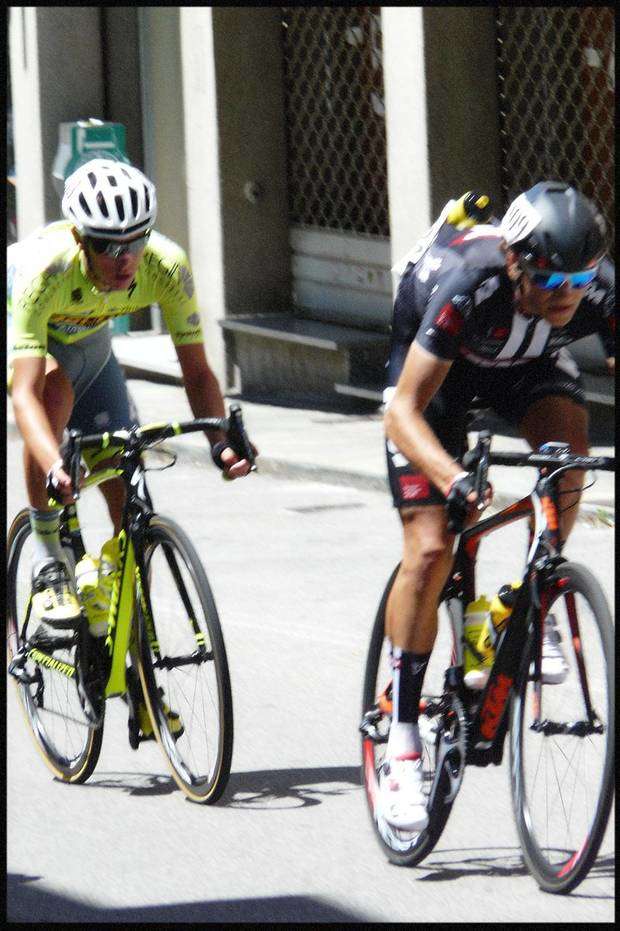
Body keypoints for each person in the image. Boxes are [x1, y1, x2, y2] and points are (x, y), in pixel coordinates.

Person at [379, 181, 615, 832]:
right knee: (430, 547)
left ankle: (527, 597)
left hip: (523, 364)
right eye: (550, 278)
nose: (567, 292)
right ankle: (401, 742)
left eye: (578, 277)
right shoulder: (468, 281)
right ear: (515, 262)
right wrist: (452, 478)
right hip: (435, 383)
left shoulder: (595, 287)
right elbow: (402, 411)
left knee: (570, 460)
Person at [9, 158, 255, 736]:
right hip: (29, 343)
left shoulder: (166, 266)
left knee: (129, 510)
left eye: (134, 242)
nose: (124, 260)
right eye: (107, 246)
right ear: (80, 237)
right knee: (53, 392)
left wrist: (220, 441)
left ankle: (139, 680)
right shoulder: (46, 269)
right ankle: (49, 561)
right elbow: (22, 395)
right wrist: (52, 462)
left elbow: (197, 372)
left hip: (90, 347)